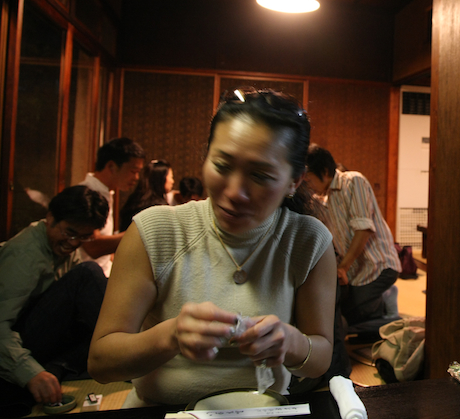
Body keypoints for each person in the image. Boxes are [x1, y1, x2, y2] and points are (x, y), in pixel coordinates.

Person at [88, 88, 336, 407]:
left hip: (261, 412)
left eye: (260, 176)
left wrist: (292, 343)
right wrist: (171, 336)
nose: (234, 192)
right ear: (206, 156)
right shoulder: (155, 231)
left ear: (294, 181)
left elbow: (320, 359)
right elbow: (101, 362)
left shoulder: (308, 240)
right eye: (222, 165)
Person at [0, 186, 109, 416]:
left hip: (43, 339)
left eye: (83, 237)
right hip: (15, 343)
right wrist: (30, 373)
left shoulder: (64, 248)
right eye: (70, 232)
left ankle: (62, 365)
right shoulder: (25, 255)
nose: (74, 243)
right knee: (88, 273)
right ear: (50, 218)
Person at [304, 145, 401, 329]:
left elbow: (363, 230)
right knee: (338, 311)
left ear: (325, 171)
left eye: (308, 179)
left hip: (378, 266)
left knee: (352, 317)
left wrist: (343, 267)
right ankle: (377, 301)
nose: (308, 184)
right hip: (356, 271)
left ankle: (385, 302)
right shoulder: (325, 198)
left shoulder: (353, 181)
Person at [76, 137, 146, 277]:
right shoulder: (86, 193)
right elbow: (93, 246)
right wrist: (142, 233)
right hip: (87, 278)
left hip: (104, 272)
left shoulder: (106, 192)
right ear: (111, 166)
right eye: (133, 171)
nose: (137, 178)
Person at [119, 159, 174, 230]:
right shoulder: (159, 207)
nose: (172, 181)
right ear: (161, 178)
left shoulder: (135, 199)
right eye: (171, 177)